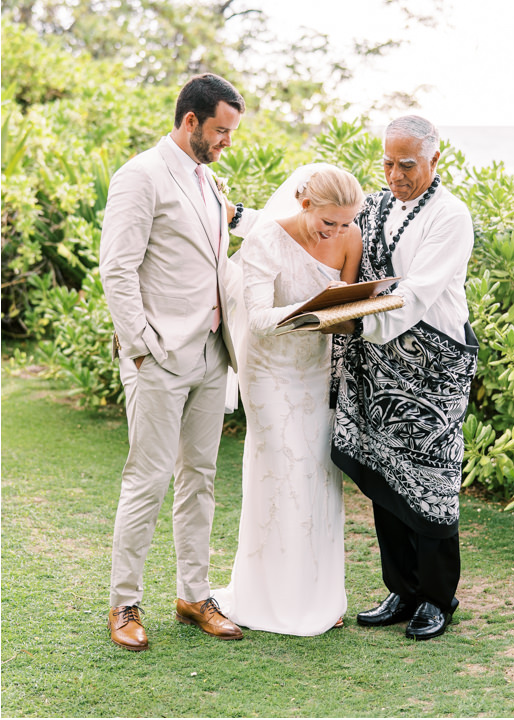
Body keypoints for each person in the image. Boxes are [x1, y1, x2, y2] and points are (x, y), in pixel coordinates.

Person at [99, 73, 247, 650]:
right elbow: (117, 268)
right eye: (221, 130)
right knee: (148, 479)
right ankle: (125, 603)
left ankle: (192, 594)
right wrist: (140, 346)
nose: (227, 141)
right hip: (158, 356)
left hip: (213, 354)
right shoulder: (139, 176)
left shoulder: (209, 180)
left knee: (201, 478)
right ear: (192, 123)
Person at [328, 114, 477, 641]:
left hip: (432, 364)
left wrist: (354, 321)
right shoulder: (374, 204)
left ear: (436, 159)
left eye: (407, 164)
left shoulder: (451, 216)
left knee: (432, 476)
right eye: (387, 162)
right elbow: (324, 225)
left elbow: (417, 292)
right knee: (385, 472)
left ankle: (437, 598)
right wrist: (244, 219)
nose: (395, 174)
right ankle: (402, 589)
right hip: (378, 361)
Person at [210, 164, 364, 636]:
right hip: (270, 370)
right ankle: (267, 597)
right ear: (303, 203)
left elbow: (346, 311)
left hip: (316, 371)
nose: (337, 232)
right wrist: (311, 316)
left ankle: (317, 595)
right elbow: (256, 318)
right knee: (281, 472)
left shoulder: (350, 238)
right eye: (328, 223)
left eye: (345, 223)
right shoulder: (266, 240)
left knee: (318, 474)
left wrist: (353, 313)